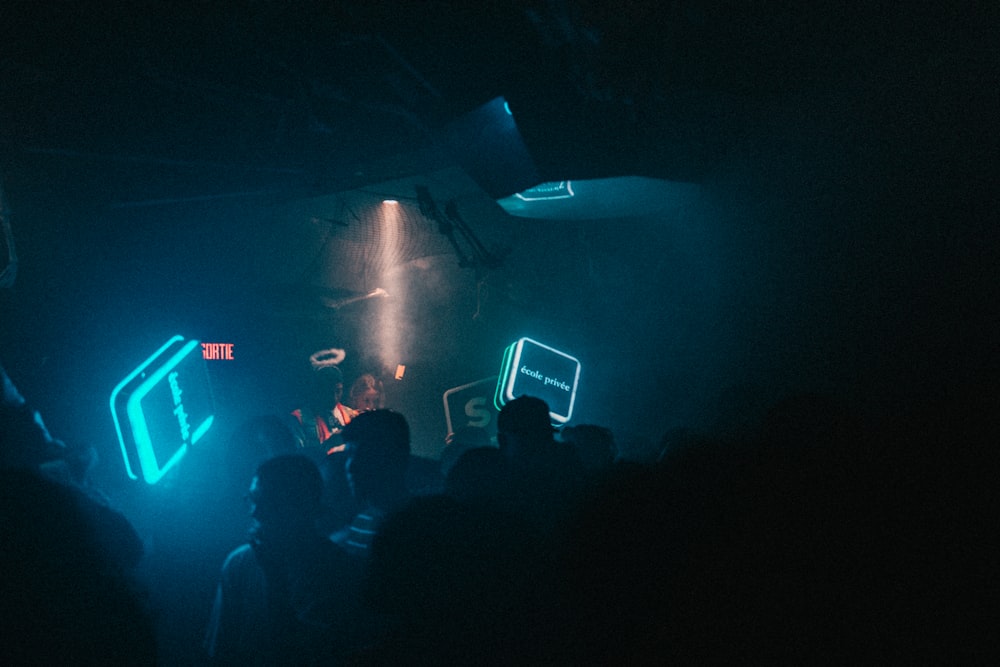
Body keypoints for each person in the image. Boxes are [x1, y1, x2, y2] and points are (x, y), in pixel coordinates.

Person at [205, 455, 360, 665]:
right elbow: (220, 650)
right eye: (252, 499)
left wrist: (274, 580)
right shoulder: (238, 563)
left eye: (268, 502)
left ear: (302, 505)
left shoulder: (336, 571)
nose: (256, 512)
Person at [331, 409, 410, 557]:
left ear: (390, 456)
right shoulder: (361, 523)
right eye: (349, 454)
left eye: (361, 454)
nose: (351, 466)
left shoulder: (419, 526)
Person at [291, 365, 356, 452]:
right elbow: (297, 458)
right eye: (328, 392)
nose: (334, 398)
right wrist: (328, 445)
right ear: (318, 390)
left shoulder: (351, 415)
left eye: (338, 391)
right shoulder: (299, 418)